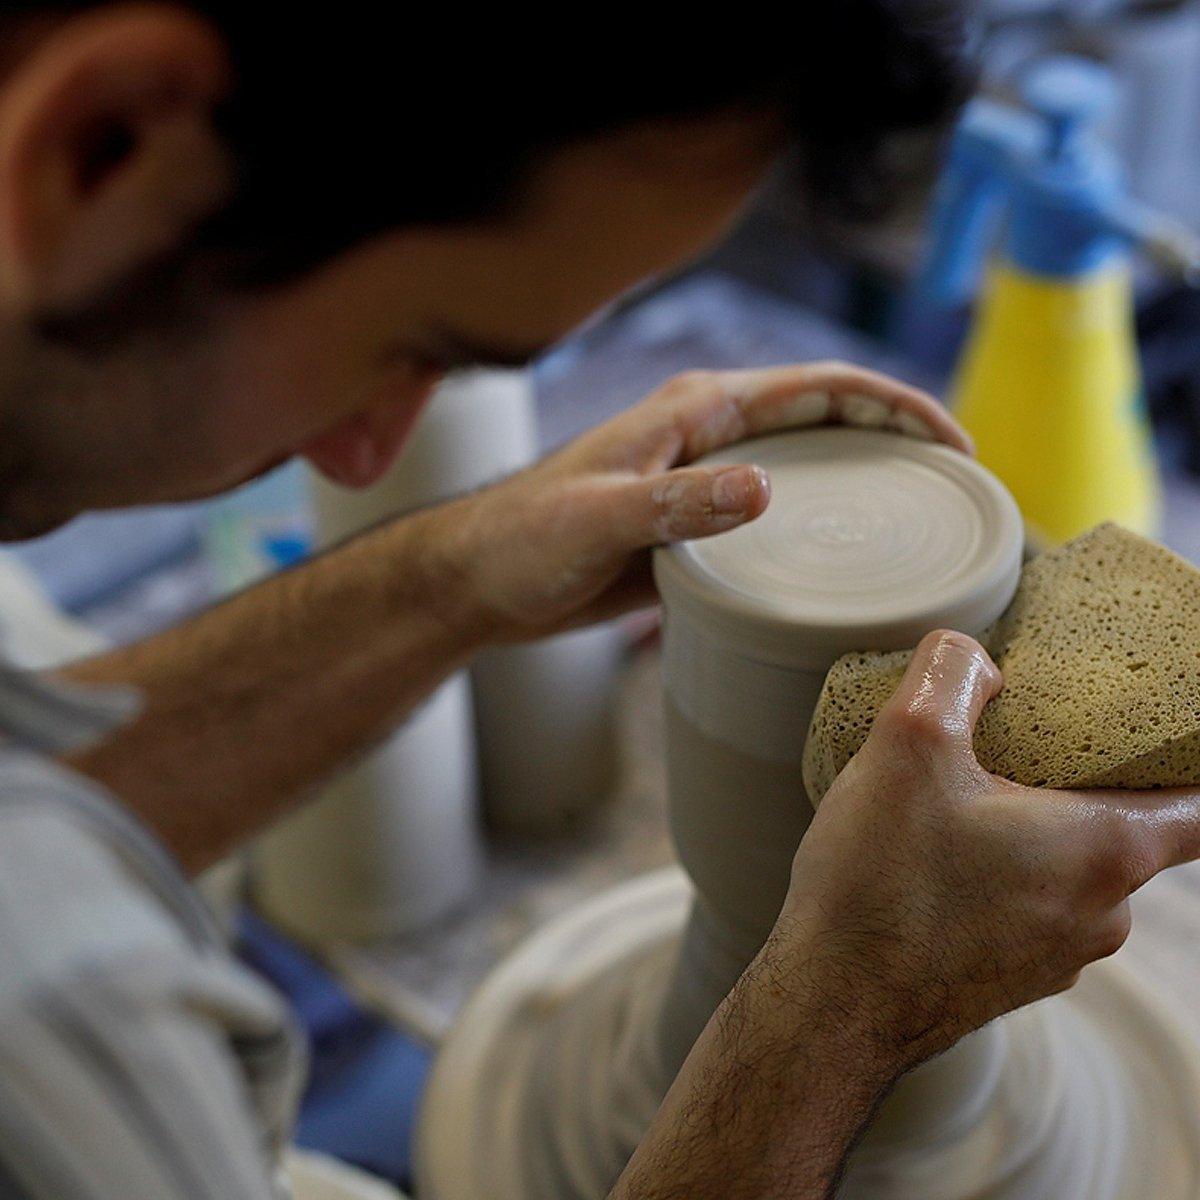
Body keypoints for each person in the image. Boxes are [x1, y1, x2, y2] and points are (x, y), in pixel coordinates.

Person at [0, 4, 1197, 1198]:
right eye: (419, 345)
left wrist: (459, 573)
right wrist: (845, 1018)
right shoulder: (51, 1011)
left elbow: (50, 787)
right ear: (104, 149)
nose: (371, 460)